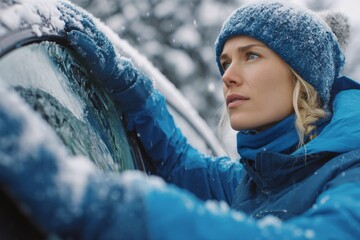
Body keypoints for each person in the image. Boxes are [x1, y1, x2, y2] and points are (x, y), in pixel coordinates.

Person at [1, 0, 360, 239]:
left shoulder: (350, 175)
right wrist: (130, 86)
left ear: (302, 77)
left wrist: (103, 206)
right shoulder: (258, 180)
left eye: (251, 56)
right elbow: (177, 164)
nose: (228, 76)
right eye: (225, 62)